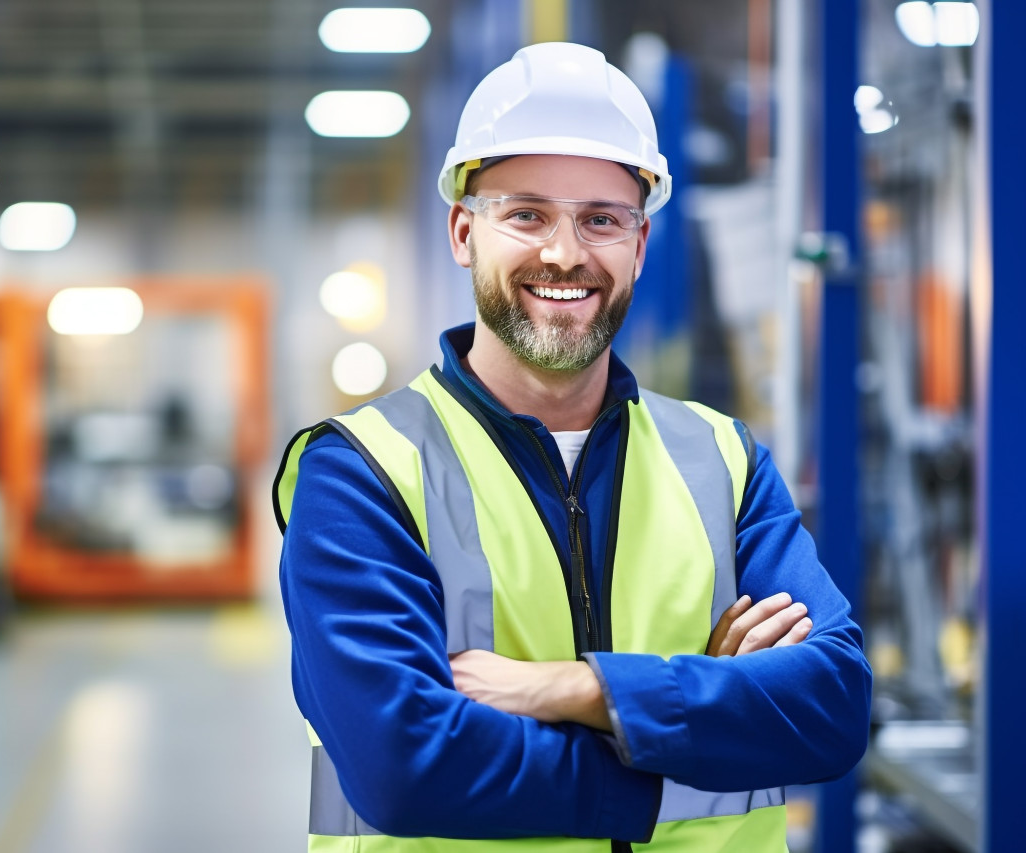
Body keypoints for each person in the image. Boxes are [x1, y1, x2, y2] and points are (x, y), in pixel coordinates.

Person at [274, 41, 871, 852]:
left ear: (641, 244)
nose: (564, 253)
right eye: (526, 214)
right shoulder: (362, 472)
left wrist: (581, 688)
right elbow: (405, 767)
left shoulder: (721, 459)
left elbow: (831, 708)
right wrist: (708, 711)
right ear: (462, 231)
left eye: (601, 218)